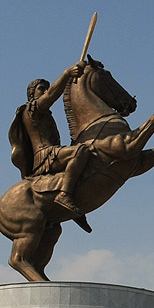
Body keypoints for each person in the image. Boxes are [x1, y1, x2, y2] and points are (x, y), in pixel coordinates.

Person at [9, 63, 92, 229]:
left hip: (53, 153)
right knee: (80, 152)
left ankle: (74, 198)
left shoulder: (44, 113)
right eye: (41, 89)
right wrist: (67, 74)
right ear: (32, 94)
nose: (45, 92)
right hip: (45, 155)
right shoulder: (31, 108)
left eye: (46, 88)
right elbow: (52, 95)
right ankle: (65, 195)